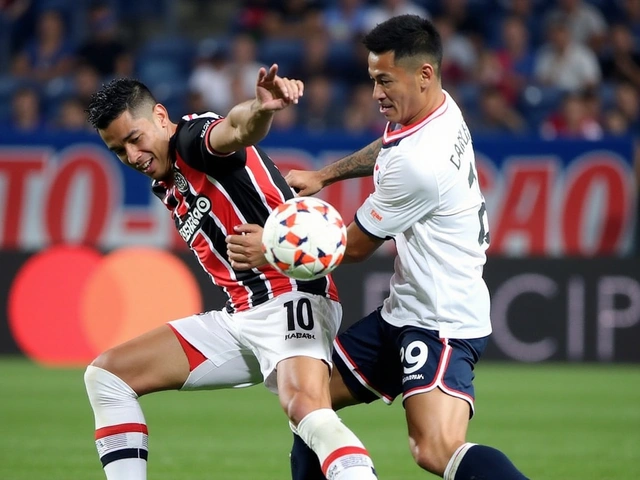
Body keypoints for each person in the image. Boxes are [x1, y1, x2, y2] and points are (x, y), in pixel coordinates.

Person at [226, 15, 530, 480]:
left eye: (384, 80)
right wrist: (325, 175)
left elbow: (353, 247)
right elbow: (387, 149)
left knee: (435, 448)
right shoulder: (437, 109)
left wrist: (270, 249)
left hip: (441, 320)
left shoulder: (422, 164)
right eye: (372, 80)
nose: (375, 93)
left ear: (423, 74)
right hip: (404, 311)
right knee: (310, 406)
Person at [84, 65, 378, 480]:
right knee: (107, 376)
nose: (132, 156)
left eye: (135, 138)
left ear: (162, 118)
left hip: (292, 295)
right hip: (241, 316)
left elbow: (235, 130)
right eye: (118, 150)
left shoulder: (191, 141)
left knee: (306, 407)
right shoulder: (168, 176)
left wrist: (261, 108)